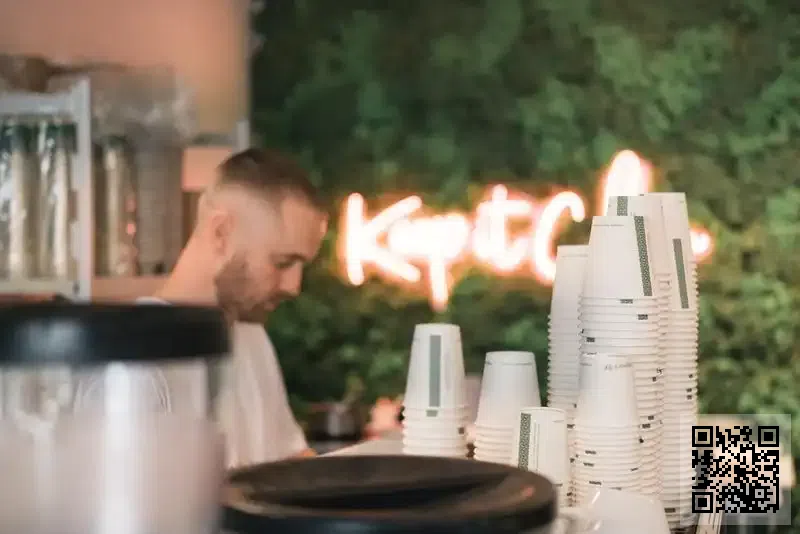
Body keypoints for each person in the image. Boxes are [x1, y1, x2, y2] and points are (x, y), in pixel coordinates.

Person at [79, 148, 327, 467]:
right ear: (221, 233)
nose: (294, 286)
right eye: (282, 262)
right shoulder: (134, 362)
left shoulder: (253, 339)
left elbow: (292, 462)